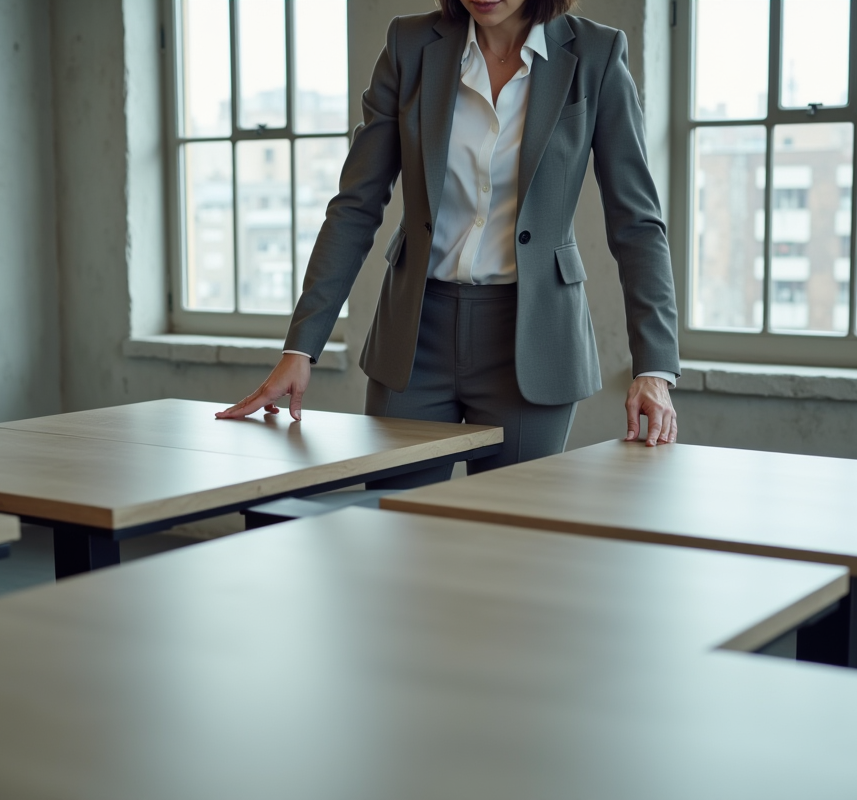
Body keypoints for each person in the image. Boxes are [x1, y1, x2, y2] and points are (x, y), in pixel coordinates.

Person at [218, 0, 680, 488]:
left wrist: (655, 367)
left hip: (533, 339)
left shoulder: (596, 54)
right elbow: (355, 204)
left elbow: (637, 222)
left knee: (511, 545)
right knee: (396, 530)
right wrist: (300, 348)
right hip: (416, 338)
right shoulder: (409, 45)